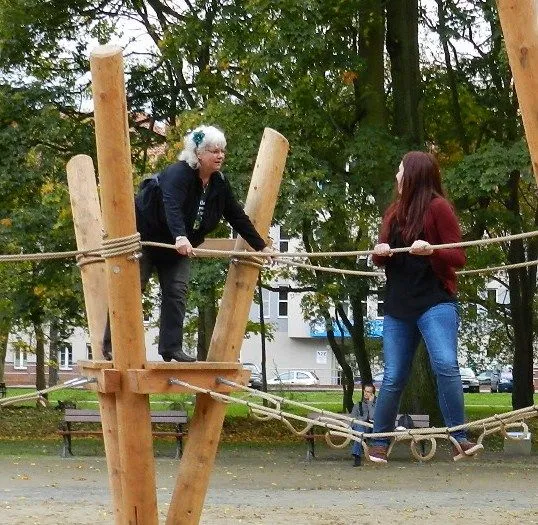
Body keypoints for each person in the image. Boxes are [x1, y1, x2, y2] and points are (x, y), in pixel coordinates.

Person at [103, 125, 272, 362]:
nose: (220, 156)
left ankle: (171, 347)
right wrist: (180, 237)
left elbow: (236, 216)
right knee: (131, 288)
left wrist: (261, 246)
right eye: (214, 151)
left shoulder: (219, 184)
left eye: (222, 151)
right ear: (198, 154)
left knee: (177, 291)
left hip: (177, 247)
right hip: (146, 239)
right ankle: (112, 345)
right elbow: (171, 206)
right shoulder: (178, 174)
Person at [368, 151, 482, 464]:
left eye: (400, 171)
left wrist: (432, 251)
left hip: (435, 300)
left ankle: (459, 438)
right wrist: (380, 252)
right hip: (399, 305)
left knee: (445, 364)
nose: (397, 177)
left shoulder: (438, 208)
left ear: (414, 175)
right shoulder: (393, 212)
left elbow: (458, 256)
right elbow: (379, 258)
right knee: (393, 376)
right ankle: (380, 441)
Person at [350, 382, 376, 467]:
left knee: (360, 429)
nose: (365, 393)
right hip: (359, 429)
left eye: (368, 392)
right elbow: (352, 420)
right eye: (365, 391)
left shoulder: (377, 405)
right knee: (359, 427)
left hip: (372, 429)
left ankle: (357, 455)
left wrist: (370, 403)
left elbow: (373, 417)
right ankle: (357, 455)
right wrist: (360, 421)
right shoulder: (358, 405)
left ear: (372, 394)